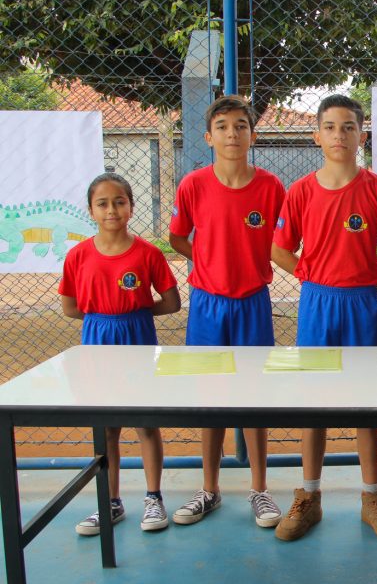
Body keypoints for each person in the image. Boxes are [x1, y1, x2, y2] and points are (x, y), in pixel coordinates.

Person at [271, 94, 377, 542]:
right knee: (315, 402)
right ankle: (309, 497)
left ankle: (373, 498)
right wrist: (309, 274)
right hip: (316, 303)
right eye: (330, 127)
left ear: (361, 135)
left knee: (367, 404)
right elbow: (278, 248)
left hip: (362, 304)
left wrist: (376, 275)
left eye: (348, 127)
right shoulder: (301, 191)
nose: (339, 135)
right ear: (316, 135)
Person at [169, 94, 285, 528]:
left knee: (255, 399)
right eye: (223, 127)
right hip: (207, 305)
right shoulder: (193, 185)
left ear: (252, 135)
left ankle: (260, 489)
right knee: (210, 398)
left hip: (253, 302)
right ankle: (210, 489)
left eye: (241, 125)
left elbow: (283, 242)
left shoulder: (271, 187)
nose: (232, 134)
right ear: (208, 136)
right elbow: (179, 237)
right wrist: (208, 259)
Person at [60, 173, 180, 535]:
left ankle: (154, 498)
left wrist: (135, 313)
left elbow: (172, 302)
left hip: (139, 338)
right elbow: (70, 307)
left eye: (119, 201)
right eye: (103, 203)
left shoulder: (148, 253)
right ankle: (110, 502)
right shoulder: (78, 255)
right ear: (91, 210)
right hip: (96, 343)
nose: (111, 209)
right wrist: (104, 318)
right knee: (107, 426)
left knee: (145, 422)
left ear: (130, 206)